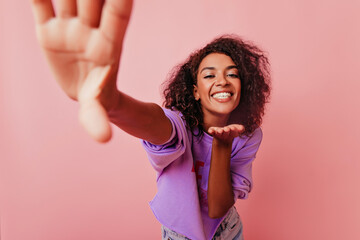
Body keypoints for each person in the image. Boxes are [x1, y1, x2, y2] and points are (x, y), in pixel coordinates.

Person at [30, 0, 271, 239]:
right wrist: (111, 100)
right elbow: (154, 123)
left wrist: (222, 145)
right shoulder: (179, 124)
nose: (223, 81)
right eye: (209, 75)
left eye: (232, 74)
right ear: (195, 91)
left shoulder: (249, 135)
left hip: (228, 230)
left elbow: (219, 208)